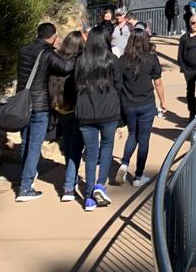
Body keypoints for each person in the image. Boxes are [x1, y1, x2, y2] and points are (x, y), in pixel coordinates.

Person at [15, 23, 75, 203]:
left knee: (26, 142)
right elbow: (65, 67)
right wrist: (78, 56)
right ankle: (25, 187)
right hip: (39, 105)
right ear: (53, 36)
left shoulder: (24, 50)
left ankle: (25, 177)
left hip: (23, 104)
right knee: (35, 145)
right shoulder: (47, 53)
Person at [75, 26, 122, 212]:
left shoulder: (80, 61)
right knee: (107, 147)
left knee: (91, 153)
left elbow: (75, 85)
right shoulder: (111, 60)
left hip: (85, 112)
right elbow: (118, 85)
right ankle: (100, 185)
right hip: (109, 110)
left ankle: (88, 197)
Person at [116, 29, 166, 187]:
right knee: (143, 139)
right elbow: (157, 82)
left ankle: (124, 163)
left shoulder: (122, 60)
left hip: (128, 104)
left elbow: (118, 84)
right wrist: (163, 101)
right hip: (146, 104)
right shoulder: (151, 59)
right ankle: (138, 176)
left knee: (132, 134)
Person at [48, 30, 85, 203]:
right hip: (75, 110)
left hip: (60, 108)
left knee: (69, 146)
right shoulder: (79, 62)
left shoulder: (57, 60)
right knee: (75, 148)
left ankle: (72, 177)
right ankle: (69, 187)